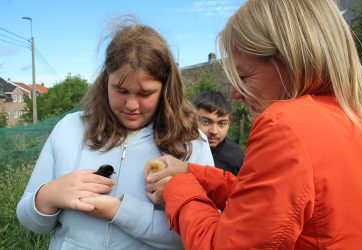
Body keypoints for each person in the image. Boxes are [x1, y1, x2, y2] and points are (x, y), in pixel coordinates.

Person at [144, 0, 362, 249]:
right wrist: (191, 172)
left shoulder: (285, 126)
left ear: (292, 60)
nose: (235, 93)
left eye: (244, 76)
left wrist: (178, 187)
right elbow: (270, 201)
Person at [16, 21, 214, 250]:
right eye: (121, 90)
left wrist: (122, 212)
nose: (131, 104)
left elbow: (204, 234)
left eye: (145, 93)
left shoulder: (190, 141)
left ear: (166, 89)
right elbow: (30, 221)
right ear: (105, 81)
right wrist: (47, 196)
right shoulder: (69, 129)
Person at [193, 91, 244, 175]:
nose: (214, 131)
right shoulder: (179, 149)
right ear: (192, 119)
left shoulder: (236, 157)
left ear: (229, 124)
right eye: (206, 122)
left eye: (221, 124)